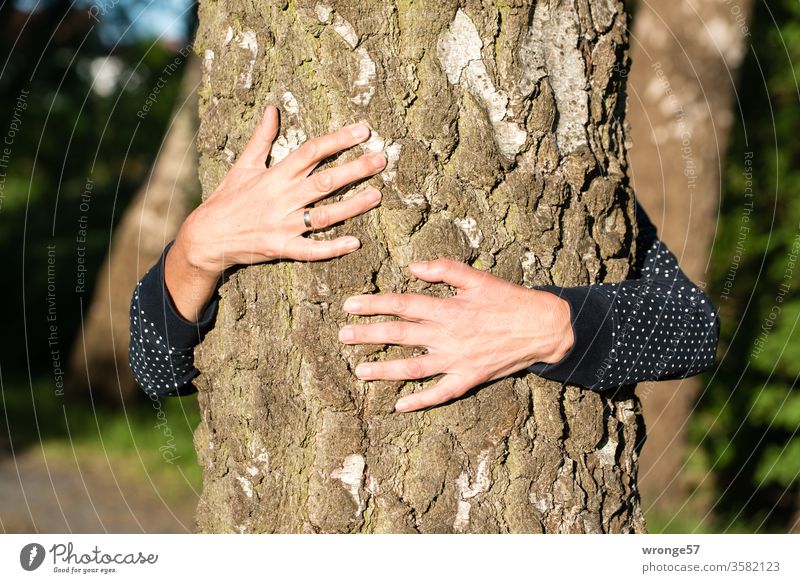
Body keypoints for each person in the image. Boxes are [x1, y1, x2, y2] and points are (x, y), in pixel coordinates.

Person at [129, 106, 720, 412]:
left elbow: (694, 328)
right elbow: (155, 372)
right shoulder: (254, 159)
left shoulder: (565, 143)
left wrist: (556, 327)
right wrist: (195, 252)